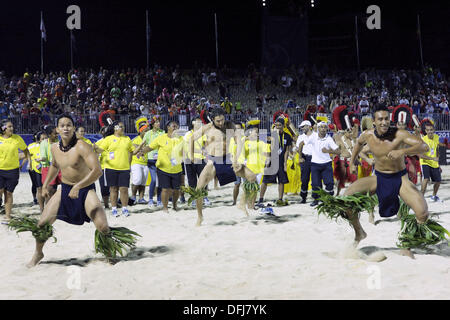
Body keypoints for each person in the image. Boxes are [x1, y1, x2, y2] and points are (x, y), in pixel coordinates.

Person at [26, 114, 112, 267]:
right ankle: (38, 253)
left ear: (73, 128)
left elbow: (97, 171)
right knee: (41, 224)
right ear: (57, 129)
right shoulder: (54, 148)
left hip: (85, 190)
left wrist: (78, 186)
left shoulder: (82, 146)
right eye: (62, 125)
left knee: (103, 226)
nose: (65, 128)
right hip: (65, 189)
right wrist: (45, 184)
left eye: (69, 125)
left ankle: (109, 253)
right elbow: (54, 165)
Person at [344, 104, 429, 257]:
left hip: (400, 178)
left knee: (422, 212)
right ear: (374, 122)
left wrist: (402, 151)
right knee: (346, 199)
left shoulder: (400, 134)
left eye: (386, 119)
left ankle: (407, 243)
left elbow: (424, 147)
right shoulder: (367, 135)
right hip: (379, 177)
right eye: (380, 119)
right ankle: (359, 233)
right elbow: (358, 144)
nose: (384, 122)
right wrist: (352, 162)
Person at [188, 108, 259, 226]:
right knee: (198, 190)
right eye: (218, 121)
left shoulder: (230, 126)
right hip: (213, 161)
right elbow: (191, 138)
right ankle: (200, 217)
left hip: (228, 159)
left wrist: (236, 159)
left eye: (222, 120)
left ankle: (242, 203)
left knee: (252, 178)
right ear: (213, 120)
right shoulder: (207, 128)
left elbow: (239, 142)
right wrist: (191, 155)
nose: (220, 123)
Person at [136, 120, 184, 213]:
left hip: (177, 169)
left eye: (177, 126)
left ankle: (174, 205)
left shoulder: (181, 139)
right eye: (174, 126)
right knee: (165, 189)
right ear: (168, 128)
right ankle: (165, 207)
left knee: (176, 190)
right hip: (163, 169)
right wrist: (142, 152)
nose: (176, 128)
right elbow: (150, 147)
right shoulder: (161, 138)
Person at [94, 121, 133, 217]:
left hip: (124, 168)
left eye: (123, 126)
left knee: (124, 189)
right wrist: (95, 148)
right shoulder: (108, 139)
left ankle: (124, 208)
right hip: (110, 168)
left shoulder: (127, 139)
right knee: (113, 189)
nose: (123, 128)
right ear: (115, 128)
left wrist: (141, 147)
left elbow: (133, 151)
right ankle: (114, 209)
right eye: (121, 126)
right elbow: (100, 150)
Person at [299, 121, 341, 207]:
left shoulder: (329, 139)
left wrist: (328, 151)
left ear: (327, 129)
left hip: (326, 164)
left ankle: (329, 200)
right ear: (318, 129)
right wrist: (300, 156)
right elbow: (301, 144)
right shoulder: (313, 137)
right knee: (315, 184)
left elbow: (338, 151)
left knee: (329, 183)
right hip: (315, 164)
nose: (323, 129)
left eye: (324, 127)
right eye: (321, 127)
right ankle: (316, 200)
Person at [258, 117, 293, 207]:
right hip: (272, 162)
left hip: (281, 162)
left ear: (283, 126)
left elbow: (286, 151)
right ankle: (260, 199)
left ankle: (280, 199)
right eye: (276, 125)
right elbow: (261, 139)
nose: (277, 127)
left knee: (281, 181)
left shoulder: (287, 136)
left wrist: (285, 163)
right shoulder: (271, 135)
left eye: (279, 125)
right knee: (265, 180)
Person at [0, 119, 31, 220]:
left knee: (8, 193)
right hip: (0, 170)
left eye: (12, 126)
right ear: (3, 128)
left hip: (13, 171)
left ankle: (8, 216)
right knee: (0, 191)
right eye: (9, 127)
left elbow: (26, 151)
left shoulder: (17, 138)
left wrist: (28, 162)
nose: (12, 128)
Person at [183, 116, 210, 206]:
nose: (200, 123)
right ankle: (194, 198)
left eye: (200, 122)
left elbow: (206, 146)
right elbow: (187, 148)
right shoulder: (188, 134)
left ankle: (204, 197)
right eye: (197, 121)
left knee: (203, 179)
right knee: (192, 180)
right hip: (189, 159)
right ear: (193, 123)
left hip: (201, 159)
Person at [143, 116, 164, 207]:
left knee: (160, 181)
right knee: (154, 180)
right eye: (156, 122)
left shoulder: (162, 133)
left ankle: (159, 200)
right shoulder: (147, 134)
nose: (158, 123)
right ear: (152, 124)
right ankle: (151, 199)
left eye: (159, 122)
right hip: (151, 159)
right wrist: (143, 154)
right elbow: (143, 145)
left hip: (160, 159)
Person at [420, 122, 442, 201]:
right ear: (425, 131)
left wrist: (438, 164)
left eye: (431, 130)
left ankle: (434, 196)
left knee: (438, 181)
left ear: (434, 130)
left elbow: (436, 150)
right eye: (428, 130)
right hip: (425, 162)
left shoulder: (436, 137)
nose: (430, 131)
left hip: (434, 163)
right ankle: (421, 197)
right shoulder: (423, 140)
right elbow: (421, 155)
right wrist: (432, 159)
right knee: (426, 179)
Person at [39, 125, 62, 202]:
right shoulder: (44, 143)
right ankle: (48, 210)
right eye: (55, 133)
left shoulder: (59, 142)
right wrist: (41, 159)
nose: (57, 135)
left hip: (60, 167)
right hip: (48, 168)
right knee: (50, 190)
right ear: (49, 135)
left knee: (63, 188)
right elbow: (44, 157)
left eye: (57, 133)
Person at [130, 119, 150, 205]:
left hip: (145, 163)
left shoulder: (149, 140)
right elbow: (134, 149)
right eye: (145, 131)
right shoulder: (135, 140)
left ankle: (141, 198)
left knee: (143, 182)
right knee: (137, 180)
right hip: (136, 163)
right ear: (141, 131)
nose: (147, 133)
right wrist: (141, 147)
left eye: (148, 131)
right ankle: (133, 196)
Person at [27, 131, 47, 213]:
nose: (45, 140)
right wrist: (29, 163)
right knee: (39, 188)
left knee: (48, 188)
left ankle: (48, 205)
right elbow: (26, 154)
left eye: (46, 138)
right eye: (43, 139)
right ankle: (41, 207)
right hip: (37, 170)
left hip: (47, 170)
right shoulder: (32, 146)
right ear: (38, 140)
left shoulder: (50, 146)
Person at [296, 120, 313, 203]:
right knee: (304, 179)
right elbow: (297, 148)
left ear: (308, 126)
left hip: (315, 159)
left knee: (316, 179)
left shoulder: (316, 136)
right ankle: (303, 197)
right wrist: (300, 157)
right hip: (305, 158)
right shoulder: (300, 137)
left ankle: (317, 197)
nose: (302, 128)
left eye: (303, 126)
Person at [94, 126, 110, 209]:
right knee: (103, 186)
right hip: (103, 166)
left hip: (113, 166)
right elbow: (95, 154)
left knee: (113, 186)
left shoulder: (112, 140)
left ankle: (112, 202)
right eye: (104, 131)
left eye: (107, 131)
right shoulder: (99, 142)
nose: (105, 132)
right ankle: (106, 204)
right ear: (101, 132)